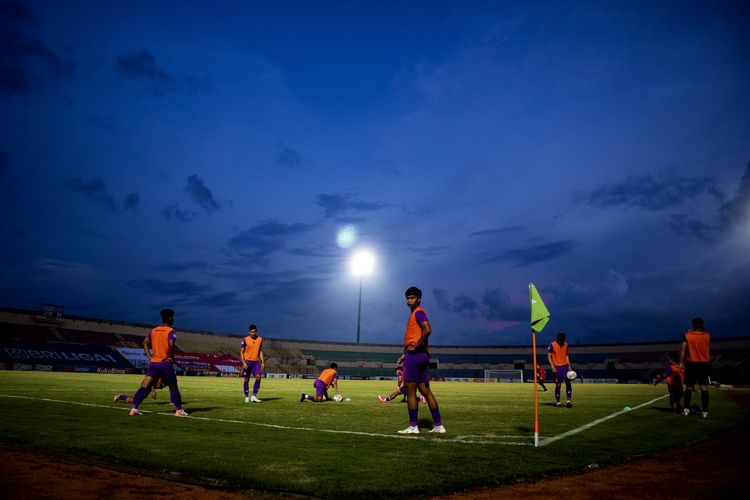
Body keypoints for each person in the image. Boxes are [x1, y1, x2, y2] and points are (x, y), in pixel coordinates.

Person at [398, 286, 445, 434]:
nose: (409, 300)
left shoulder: (418, 313)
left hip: (415, 356)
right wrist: (406, 353)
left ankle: (413, 426)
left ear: (419, 299)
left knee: (411, 392)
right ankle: (438, 425)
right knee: (426, 391)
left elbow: (428, 329)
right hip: (422, 356)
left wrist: (415, 347)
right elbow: (419, 334)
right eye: (407, 298)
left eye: (412, 297)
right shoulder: (416, 313)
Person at [129, 308, 188, 417]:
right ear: (170, 318)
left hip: (153, 363)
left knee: (144, 387)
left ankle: (134, 409)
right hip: (164, 363)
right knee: (173, 387)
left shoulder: (154, 330)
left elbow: (145, 343)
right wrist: (170, 357)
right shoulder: (170, 331)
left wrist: (149, 357)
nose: (173, 319)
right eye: (173, 317)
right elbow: (171, 343)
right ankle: (179, 411)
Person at [679, 317, 711, 418]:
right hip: (704, 363)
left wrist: (680, 363)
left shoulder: (687, 335)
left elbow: (683, 349)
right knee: (703, 388)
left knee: (688, 387)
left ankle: (686, 410)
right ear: (702, 325)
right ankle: (704, 412)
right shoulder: (708, 335)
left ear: (692, 325)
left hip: (691, 363)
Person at [240, 324, 265, 403]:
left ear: (256, 331)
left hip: (256, 362)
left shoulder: (260, 339)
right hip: (247, 361)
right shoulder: (245, 339)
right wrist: (243, 362)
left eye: (254, 332)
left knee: (258, 377)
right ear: (249, 332)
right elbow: (241, 351)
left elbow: (260, 351)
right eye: (251, 332)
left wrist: (262, 362)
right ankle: (246, 397)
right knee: (246, 379)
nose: (253, 333)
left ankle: (254, 396)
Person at [547, 332, 573, 408]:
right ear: (557, 339)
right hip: (557, 367)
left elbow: (567, 355)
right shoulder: (552, 344)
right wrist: (552, 366)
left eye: (563, 340)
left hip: (565, 367)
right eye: (560, 340)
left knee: (568, 383)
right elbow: (549, 356)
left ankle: (569, 401)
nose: (562, 342)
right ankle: (558, 402)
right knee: (558, 384)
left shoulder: (566, 344)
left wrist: (569, 366)